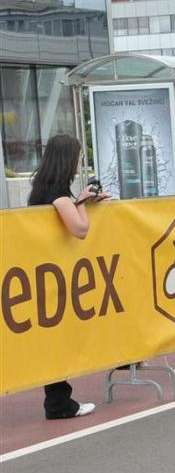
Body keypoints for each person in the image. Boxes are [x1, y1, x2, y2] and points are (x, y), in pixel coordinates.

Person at [27, 135, 110, 419]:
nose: (79, 162)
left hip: (43, 272)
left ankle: (58, 402)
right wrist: (82, 202)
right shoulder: (59, 194)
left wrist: (82, 200)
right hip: (54, 276)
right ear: (68, 160)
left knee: (52, 339)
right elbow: (80, 229)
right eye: (78, 157)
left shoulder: (41, 188)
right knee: (57, 340)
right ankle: (59, 404)